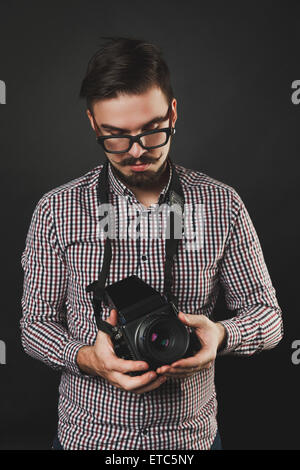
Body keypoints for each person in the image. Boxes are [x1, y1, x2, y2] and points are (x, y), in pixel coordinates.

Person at [20, 37, 283, 451]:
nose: (138, 151)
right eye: (116, 137)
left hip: (190, 440)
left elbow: (268, 317)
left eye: (152, 131)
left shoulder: (222, 204)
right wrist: (89, 358)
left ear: (173, 113)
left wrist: (220, 335)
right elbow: (34, 325)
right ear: (93, 124)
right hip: (88, 437)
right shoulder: (57, 209)